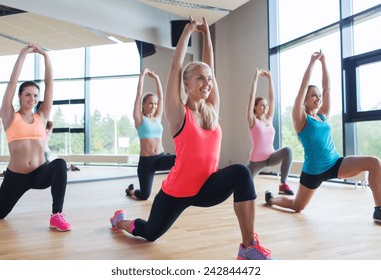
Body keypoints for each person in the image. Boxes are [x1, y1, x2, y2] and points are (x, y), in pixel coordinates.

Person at [109, 17, 274, 260]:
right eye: (200, 78)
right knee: (150, 233)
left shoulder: (212, 110)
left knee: (241, 172)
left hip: (207, 188)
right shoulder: (178, 113)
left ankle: (248, 246)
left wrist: (207, 34)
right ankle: (120, 222)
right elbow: (176, 66)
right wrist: (187, 33)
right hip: (176, 192)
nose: (207, 83)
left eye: (209, 79)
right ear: (186, 83)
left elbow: (211, 66)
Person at [264, 51, 381, 223]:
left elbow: (327, 88)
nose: (318, 98)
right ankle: (272, 199)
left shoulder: (323, 115)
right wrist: (312, 62)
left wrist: (324, 63)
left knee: (374, 162)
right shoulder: (300, 119)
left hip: (335, 164)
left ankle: (378, 209)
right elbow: (303, 86)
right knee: (298, 206)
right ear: (304, 100)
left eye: (319, 96)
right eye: (313, 95)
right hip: (313, 171)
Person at [0, 44, 71, 231]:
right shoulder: (10, 115)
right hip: (16, 177)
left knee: (59, 164)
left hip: (39, 174)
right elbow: (12, 82)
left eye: (35, 96)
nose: (32, 99)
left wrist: (46, 57)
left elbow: (50, 84)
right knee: (1, 212)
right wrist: (23, 54)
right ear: (19, 96)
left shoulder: (41, 117)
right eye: (27, 95)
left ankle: (56, 214)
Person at [124, 68, 175, 200]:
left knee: (181, 158)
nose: (154, 106)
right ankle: (131, 191)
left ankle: (175, 188)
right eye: (151, 103)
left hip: (161, 158)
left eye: (156, 104)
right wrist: (142, 76)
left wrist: (157, 78)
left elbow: (161, 96)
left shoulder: (157, 118)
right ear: (144, 104)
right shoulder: (139, 119)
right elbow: (139, 94)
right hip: (147, 162)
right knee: (144, 195)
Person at [246, 68, 294, 195]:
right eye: (261, 105)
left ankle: (283, 185)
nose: (265, 107)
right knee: (244, 184)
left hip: (271, 156)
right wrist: (256, 77)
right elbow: (251, 96)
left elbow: (273, 99)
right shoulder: (252, 120)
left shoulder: (269, 119)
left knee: (288, 150)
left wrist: (270, 78)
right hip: (256, 161)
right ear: (255, 107)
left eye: (266, 105)